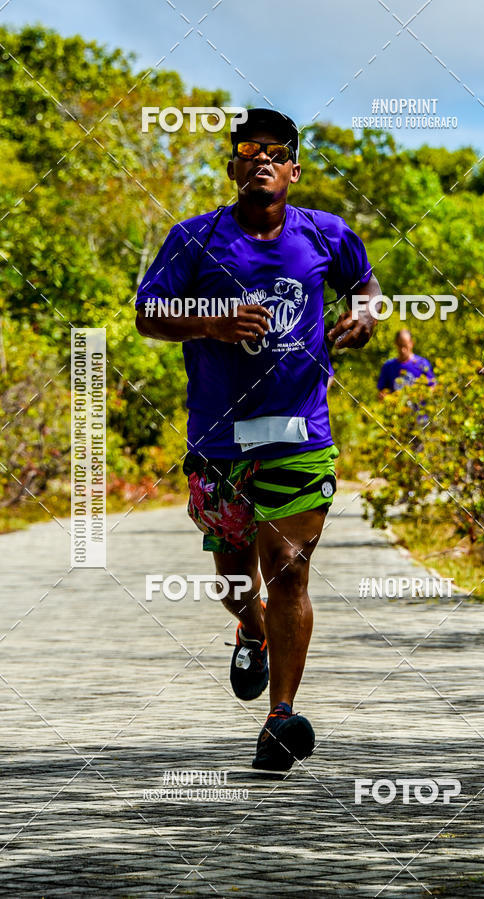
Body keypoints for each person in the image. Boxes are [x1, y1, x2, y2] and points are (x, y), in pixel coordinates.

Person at [135, 108, 380, 771]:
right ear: (233, 166)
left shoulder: (326, 233)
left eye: (276, 151)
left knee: (290, 568)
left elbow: (364, 282)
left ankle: (280, 720)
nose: (263, 159)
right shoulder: (193, 239)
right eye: (249, 149)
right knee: (235, 580)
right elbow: (148, 313)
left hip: (300, 434)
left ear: (294, 170)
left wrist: (365, 313)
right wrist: (209, 322)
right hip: (219, 442)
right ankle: (251, 627)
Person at [377, 329, 435, 400]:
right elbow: (382, 391)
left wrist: (422, 396)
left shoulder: (422, 363)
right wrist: (385, 397)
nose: (402, 350)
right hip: (396, 406)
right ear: (395, 344)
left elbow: (433, 386)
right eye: (400, 346)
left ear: (411, 343)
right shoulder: (388, 366)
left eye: (405, 346)